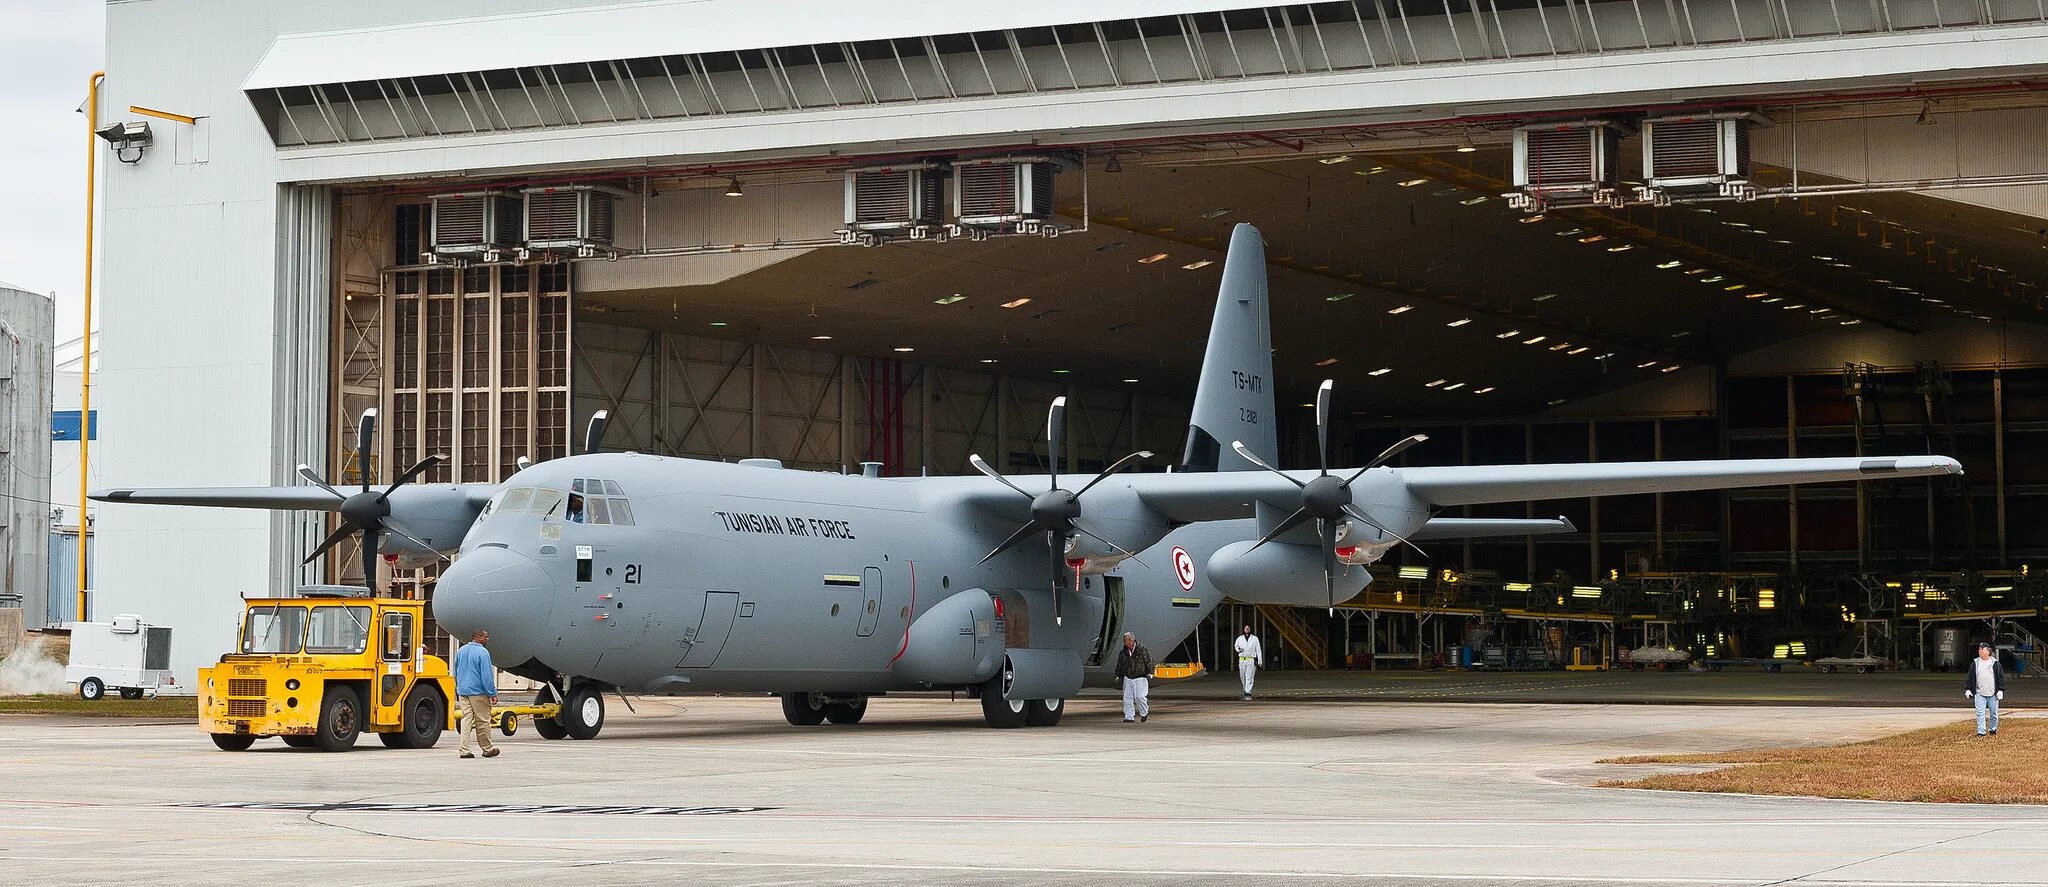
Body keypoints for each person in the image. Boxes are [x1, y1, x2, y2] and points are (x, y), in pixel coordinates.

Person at [454, 628, 501, 758]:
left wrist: (459, 687)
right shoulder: (482, 652)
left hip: (463, 691)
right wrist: (492, 693)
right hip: (478, 692)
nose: (488, 639)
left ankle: (464, 750)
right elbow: (486, 676)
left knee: (466, 719)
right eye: (486, 637)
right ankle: (487, 749)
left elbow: (456, 671)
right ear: (479, 637)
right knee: (483, 720)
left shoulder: (461, 651)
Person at [1964, 641, 2005, 737]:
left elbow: (2000, 677)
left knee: (1993, 713)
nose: (1980, 651)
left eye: (1982, 649)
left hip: (1993, 693)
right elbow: (1970, 677)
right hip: (1979, 692)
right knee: (1980, 713)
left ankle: (1992, 729)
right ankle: (1981, 731)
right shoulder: (1975, 663)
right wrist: (1968, 689)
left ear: (1988, 651)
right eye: (1979, 649)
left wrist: (2001, 690)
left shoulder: (1995, 663)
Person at [1116, 631, 1154, 723]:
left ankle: (1144, 712)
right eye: (1125, 640)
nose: (1127, 642)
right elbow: (1120, 664)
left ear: (1133, 639)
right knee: (1127, 698)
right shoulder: (1123, 653)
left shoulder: (1142, 649)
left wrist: (1150, 672)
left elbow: (1149, 661)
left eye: (1129, 639)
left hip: (1140, 677)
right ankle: (1129, 716)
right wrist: (1118, 675)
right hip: (1128, 677)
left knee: (1140, 697)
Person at [1233, 624, 1263, 700]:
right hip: (1242, 659)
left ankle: (1248, 691)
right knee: (1242, 676)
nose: (1247, 629)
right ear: (1243, 630)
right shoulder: (1240, 638)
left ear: (1250, 629)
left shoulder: (1255, 639)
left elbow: (1258, 649)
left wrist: (1259, 659)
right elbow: (1236, 646)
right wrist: (1238, 650)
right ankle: (1245, 688)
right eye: (1246, 628)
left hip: (1251, 659)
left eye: (1248, 628)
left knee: (1249, 676)